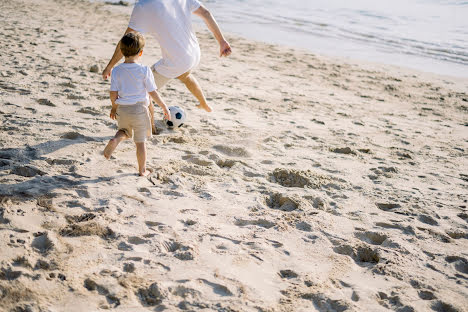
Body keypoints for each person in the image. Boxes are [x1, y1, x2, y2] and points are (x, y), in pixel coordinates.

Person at [102, 0, 232, 133]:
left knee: (143, 91)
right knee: (185, 75)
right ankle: (204, 103)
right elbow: (206, 13)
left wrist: (110, 66)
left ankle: (151, 129)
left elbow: (126, 39)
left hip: (176, 61)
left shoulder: (143, 6)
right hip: (194, 54)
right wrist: (221, 41)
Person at [103, 32, 171, 177]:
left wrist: (114, 108)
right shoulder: (144, 70)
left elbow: (113, 93)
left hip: (122, 109)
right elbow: (153, 92)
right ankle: (142, 170)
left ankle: (115, 140)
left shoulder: (116, 70)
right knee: (140, 143)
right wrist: (164, 106)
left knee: (124, 131)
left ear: (121, 52)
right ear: (140, 53)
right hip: (139, 110)